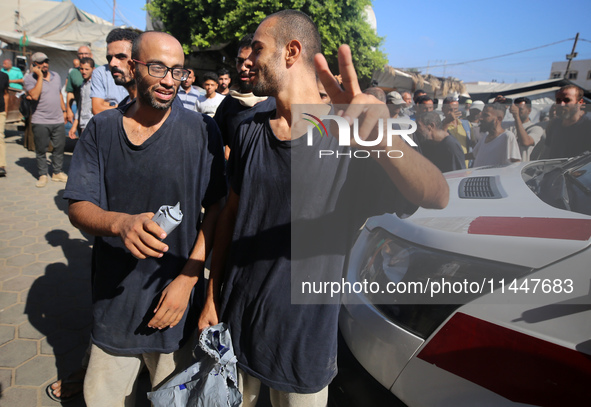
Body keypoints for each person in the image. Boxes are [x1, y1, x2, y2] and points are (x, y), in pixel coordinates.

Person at [198, 9, 448, 406]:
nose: (247, 60)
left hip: (301, 350)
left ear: (291, 51)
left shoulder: (350, 137)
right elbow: (230, 216)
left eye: (258, 49)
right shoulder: (248, 127)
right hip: (234, 330)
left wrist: (382, 140)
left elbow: (436, 194)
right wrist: (212, 297)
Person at [64, 31, 226, 406]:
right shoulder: (101, 130)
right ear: (133, 67)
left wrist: (187, 282)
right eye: (158, 68)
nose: (169, 80)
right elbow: (78, 206)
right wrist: (119, 223)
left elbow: (216, 208)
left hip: (174, 312)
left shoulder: (202, 131)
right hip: (113, 306)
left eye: (178, 71)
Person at [213, 34, 276, 160]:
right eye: (240, 61)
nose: (243, 68)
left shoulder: (277, 103)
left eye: (250, 62)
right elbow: (214, 141)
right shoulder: (229, 103)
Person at [23, 52, 68, 187]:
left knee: (59, 147)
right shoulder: (29, 79)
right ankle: (43, 174)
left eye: (46, 62)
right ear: (34, 65)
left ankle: (57, 172)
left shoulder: (56, 76)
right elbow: (35, 96)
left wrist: (64, 111)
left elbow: (59, 94)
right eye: (41, 62)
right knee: (41, 149)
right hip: (40, 120)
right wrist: (40, 77)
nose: (44, 64)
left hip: (57, 119)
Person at [91, 28, 138, 115]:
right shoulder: (124, 105)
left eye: (121, 57)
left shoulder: (155, 106)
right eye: (109, 58)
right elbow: (96, 109)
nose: (112, 63)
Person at [543, 85, 591, 159]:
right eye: (558, 100)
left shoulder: (587, 127)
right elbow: (547, 153)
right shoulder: (554, 124)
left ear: (580, 102)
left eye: (567, 100)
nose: (561, 104)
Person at [507, 97, 544, 162]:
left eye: (520, 109)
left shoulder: (536, 129)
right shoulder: (507, 126)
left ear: (529, 110)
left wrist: (516, 117)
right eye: (516, 109)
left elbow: (525, 142)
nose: (517, 111)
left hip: (522, 169)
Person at [441, 96, 472, 167]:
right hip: (450, 166)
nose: (453, 112)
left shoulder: (466, 124)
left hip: (466, 166)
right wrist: (447, 122)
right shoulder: (439, 126)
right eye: (450, 109)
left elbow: (472, 145)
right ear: (443, 110)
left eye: (455, 109)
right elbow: (439, 142)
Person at [68, 58, 95, 139]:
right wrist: (74, 126)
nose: (84, 72)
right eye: (82, 69)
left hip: (92, 123)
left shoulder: (95, 84)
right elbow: (81, 106)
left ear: (93, 69)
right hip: (83, 123)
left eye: (87, 69)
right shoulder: (83, 84)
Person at [66, 46, 93, 123]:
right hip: (80, 113)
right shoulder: (73, 72)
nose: (83, 56)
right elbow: (70, 93)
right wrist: (68, 109)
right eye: (81, 54)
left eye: (86, 53)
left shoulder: (98, 70)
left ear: (91, 55)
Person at [0, 69, 8, 177]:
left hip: (0, 111)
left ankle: (1, 165)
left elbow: (5, 94)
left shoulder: (3, 76)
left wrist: (5, 110)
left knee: (0, 137)